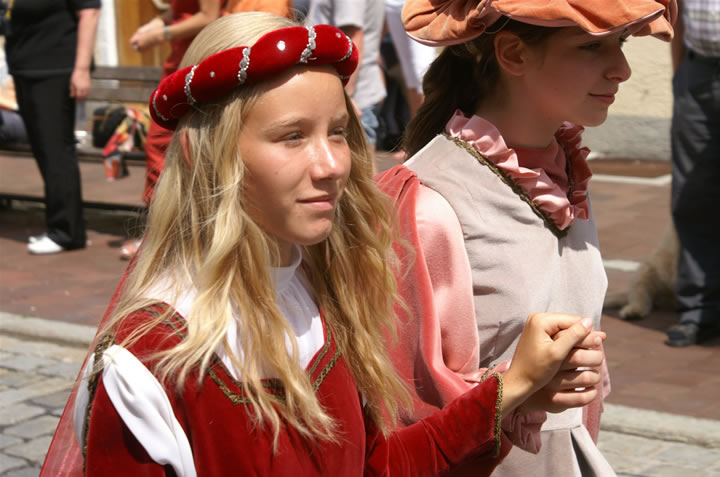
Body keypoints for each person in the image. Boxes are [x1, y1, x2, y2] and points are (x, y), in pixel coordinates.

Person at [40, 12, 608, 476]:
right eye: (292, 136)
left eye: (337, 132)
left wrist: (513, 387)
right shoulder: (154, 361)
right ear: (205, 157)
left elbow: (379, 467)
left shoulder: (322, 300)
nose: (332, 164)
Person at [375, 1, 677, 475]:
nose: (621, 69)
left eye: (618, 43)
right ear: (513, 54)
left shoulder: (562, 177)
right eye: (590, 47)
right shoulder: (431, 203)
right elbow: (401, 407)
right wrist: (518, 386)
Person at [121, 0, 222, 260]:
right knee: (165, 147)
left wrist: (161, 34)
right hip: (180, 63)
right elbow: (180, 9)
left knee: (166, 145)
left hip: (197, 63)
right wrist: (156, 23)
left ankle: (166, 236)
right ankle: (167, 233)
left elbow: (208, 16)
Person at [4, 0, 100, 254]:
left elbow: (90, 13)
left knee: (55, 149)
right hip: (26, 69)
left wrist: (81, 69)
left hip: (55, 70)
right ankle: (60, 226)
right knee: (44, 151)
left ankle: (67, 232)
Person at [665, 0, 720, 347]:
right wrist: (681, 73)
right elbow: (677, 12)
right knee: (692, 195)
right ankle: (699, 310)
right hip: (696, 72)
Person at [305, 0, 385, 150]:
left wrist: (346, 96)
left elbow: (354, 37)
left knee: (360, 161)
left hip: (355, 95)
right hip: (349, 91)